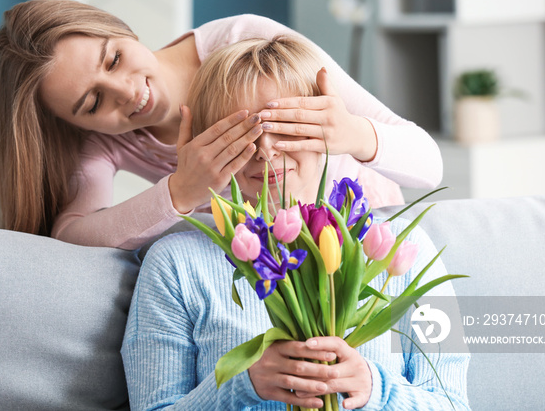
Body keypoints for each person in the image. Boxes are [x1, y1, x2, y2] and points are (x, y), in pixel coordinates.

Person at [122, 37, 469, 410]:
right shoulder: (175, 266)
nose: (267, 150)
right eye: (242, 134)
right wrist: (244, 386)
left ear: (327, 130)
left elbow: (453, 403)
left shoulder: (398, 246)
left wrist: (374, 389)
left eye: (287, 126)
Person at [0, 0, 443, 249]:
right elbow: (70, 237)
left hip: (368, 236)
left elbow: (429, 165)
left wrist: (354, 135)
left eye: (115, 58)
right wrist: (180, 192)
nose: (126, 92)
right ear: (72, 123)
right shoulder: (104, 144)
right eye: (91, 102)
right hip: (272, 262)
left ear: (123, 29)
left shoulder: (247, 42)